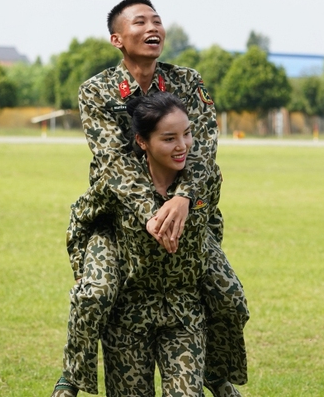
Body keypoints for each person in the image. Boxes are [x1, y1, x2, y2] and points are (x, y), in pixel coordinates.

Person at [52, 0, 248, 396]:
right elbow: (113, 161)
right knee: (96, 293)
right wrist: (151, 212)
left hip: (185, 210)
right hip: (118, 211)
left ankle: (215, 371)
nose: (153, 28)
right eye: (140, 22)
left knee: (228, 295)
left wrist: (183, 199)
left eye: (157, 20)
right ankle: (73, 373)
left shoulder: (187, 82)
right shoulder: (97, 90)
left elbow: (205, 148)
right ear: (117, 39)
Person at [68, 93, 217, 395]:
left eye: (187, 134)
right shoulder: (119, 187)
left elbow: (213, 223)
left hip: (183, 314)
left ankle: (220, 378)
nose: (182, 146)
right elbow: (81, 220)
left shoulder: (203, 181)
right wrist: (85, 271)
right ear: (143, 141)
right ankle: (70, 377)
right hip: (128, 317)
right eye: (169, 138)